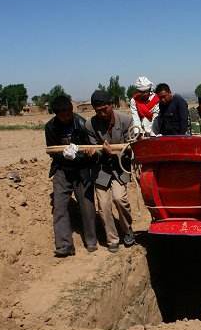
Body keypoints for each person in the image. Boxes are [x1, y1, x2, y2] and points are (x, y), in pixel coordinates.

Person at [44, 96, 98, 256]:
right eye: (63, 114)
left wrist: (78, 156)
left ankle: (91, 241)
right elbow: (52, 151)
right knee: (60, 207)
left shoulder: (82, 124)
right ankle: (64, 245)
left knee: (87, 206)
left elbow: (91, 151)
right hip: (62, 169)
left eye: (69, 112)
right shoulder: (50, 127)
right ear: (56, 114)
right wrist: (65, 156)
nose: (67, 116)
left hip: (81, 170)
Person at [84, 90, 135, 253]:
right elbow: (94, 148)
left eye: (105, 108)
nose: (102, 113)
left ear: (111, 105)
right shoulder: (90, 125)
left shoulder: (126, 121)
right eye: (98, 110)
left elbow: (131, 148)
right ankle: (112, 238)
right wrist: (96, 152)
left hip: (120, 167)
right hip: (101, 169)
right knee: (103, 205)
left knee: (120, 200)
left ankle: (127, 231)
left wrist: (113, 152)